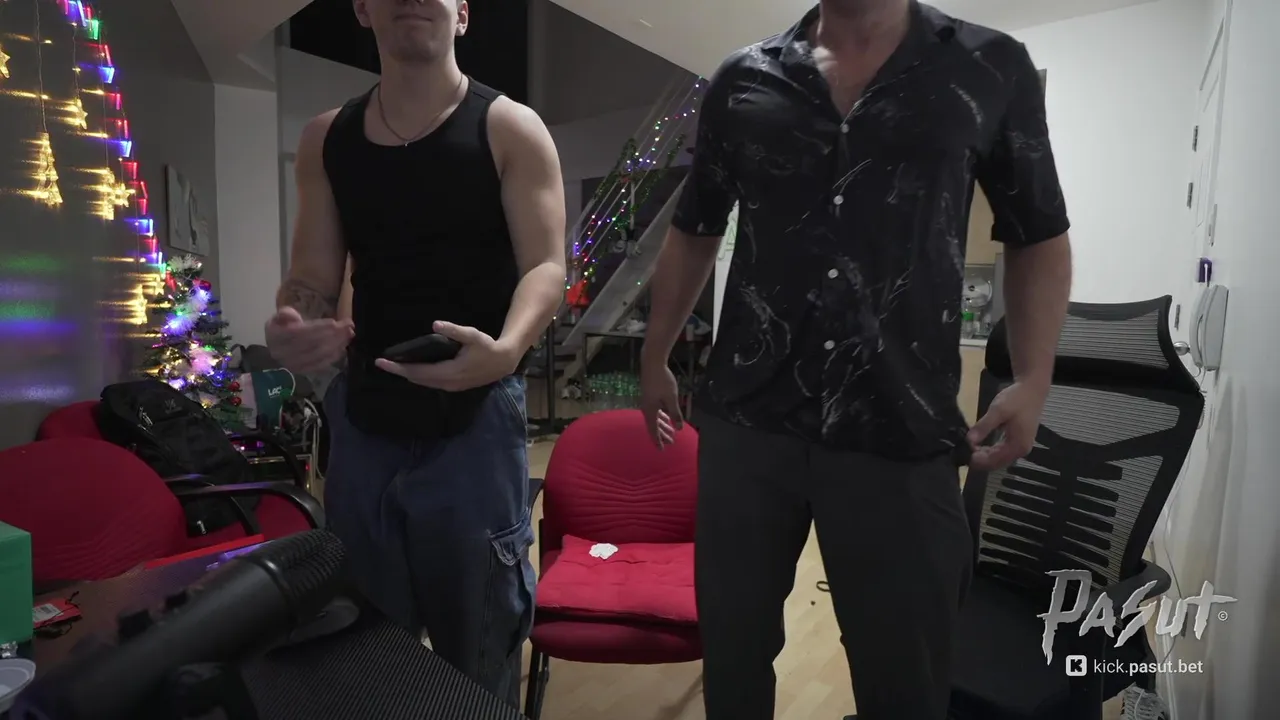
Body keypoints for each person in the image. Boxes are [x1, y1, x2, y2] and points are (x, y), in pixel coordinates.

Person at [639, 1, 1072, 719]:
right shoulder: (742, 79)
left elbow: (1039, 232)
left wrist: (1034, 377)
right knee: (734, 660)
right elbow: (694, 228)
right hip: (747, 426)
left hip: (902, 429)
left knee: (905, 681)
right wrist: (656, 354)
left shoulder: (990, 67)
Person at [265, 0, 566, 707]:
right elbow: (311, 278)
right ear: (362, 10)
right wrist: (292, 322)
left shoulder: (510, 127)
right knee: (370, 652)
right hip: (365, 421)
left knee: (479, 651)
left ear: (462, 13)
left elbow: (546, 265)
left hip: (476, 418)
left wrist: (507, 350)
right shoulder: (326, 138)